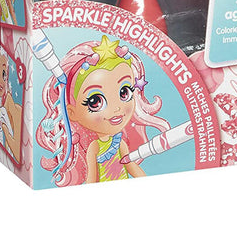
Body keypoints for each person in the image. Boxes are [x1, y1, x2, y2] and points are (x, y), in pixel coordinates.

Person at [37, 35, 169, 185]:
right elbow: (91, 178)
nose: (117, 108)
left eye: (124, 92)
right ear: (72, 112)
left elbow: (132, 167)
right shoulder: (95, 148)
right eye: (95, 101)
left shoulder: (120, 143)